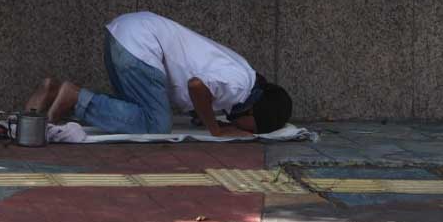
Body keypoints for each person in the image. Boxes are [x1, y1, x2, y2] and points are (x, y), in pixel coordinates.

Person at [26, 12, 292, 136]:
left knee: (136, 111)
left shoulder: (242, 74)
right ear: (255, 111)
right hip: (141, 47)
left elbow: (202, 93)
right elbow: (197, 86)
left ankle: (54, 91)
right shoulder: (241, 84)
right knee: (157, 125)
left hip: (123, 36)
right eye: (253, 129)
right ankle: (73, 97)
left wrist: (208, 117)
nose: (247, 131)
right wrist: (214, 128)